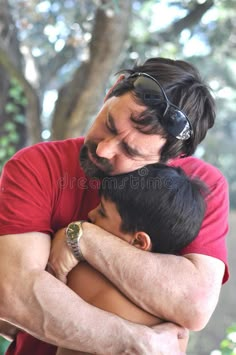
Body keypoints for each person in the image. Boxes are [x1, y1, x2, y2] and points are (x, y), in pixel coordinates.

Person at [0, 57, 229, 355]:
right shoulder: (38, 166)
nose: (103, 149)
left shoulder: (199, 187)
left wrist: (85, 237)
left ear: (170, 160)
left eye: (130, 151)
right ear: (111, 92)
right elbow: (12, 294)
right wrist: (135, 342)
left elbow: (194, 304)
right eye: (108, 123)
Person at [55, 162, 207, 355]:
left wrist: (67, 235)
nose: (90, 214)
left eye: (102, 212)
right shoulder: (175, 325)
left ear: (139, 241)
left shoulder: (81, 272)